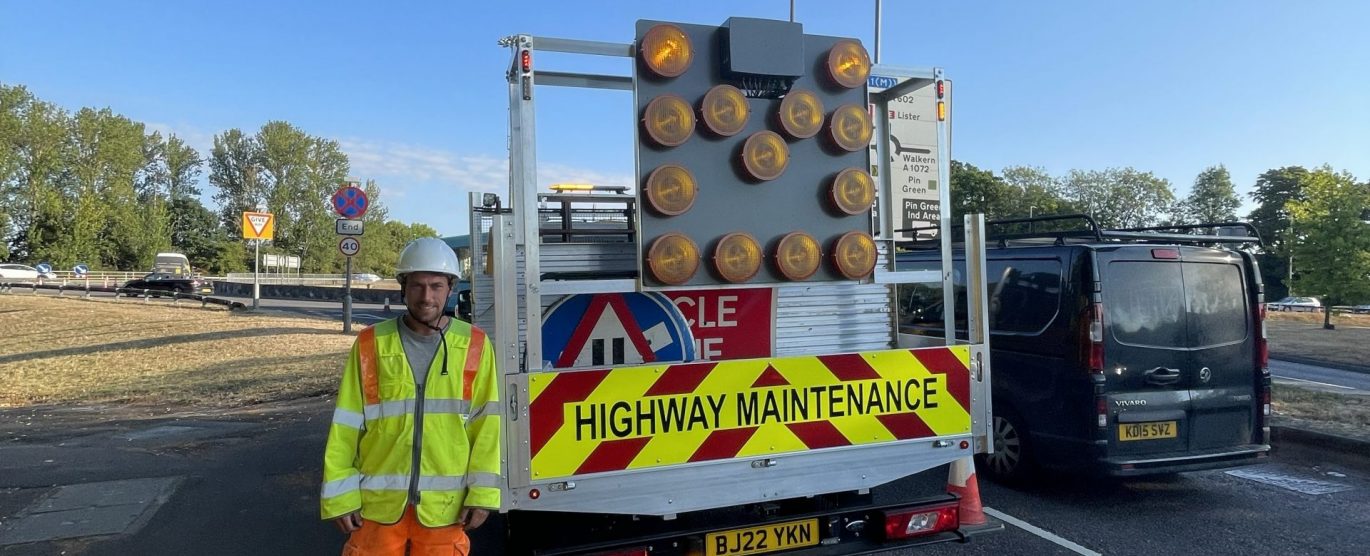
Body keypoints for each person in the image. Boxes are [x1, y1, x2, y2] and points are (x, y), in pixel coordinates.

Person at [321, 237, 500, 556]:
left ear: (450, 288)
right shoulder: (370, 344)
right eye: (417, 286)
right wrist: (339, 497)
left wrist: (483, 495)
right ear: (403, 287)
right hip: (376, 509)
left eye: (435, 286)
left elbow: (486, 428)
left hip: (444, 510)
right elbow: (346, 427)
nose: (426, 297)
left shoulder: (475, 345)